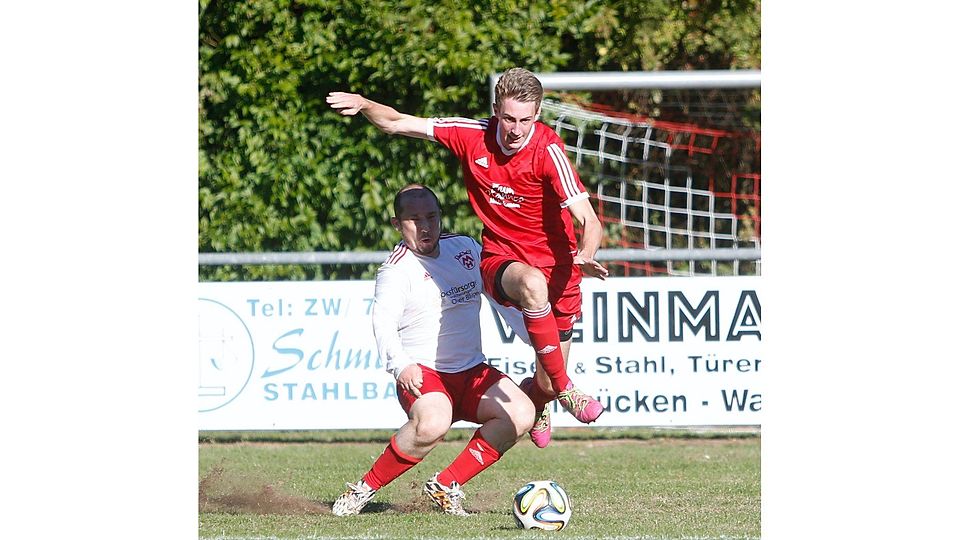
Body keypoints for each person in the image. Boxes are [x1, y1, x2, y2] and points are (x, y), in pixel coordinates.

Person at [327, 67, 609, 449]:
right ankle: (566, 389)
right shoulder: (471, 134)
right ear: (496, 110)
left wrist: (583, 258)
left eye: (526, 119)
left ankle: (542, 395)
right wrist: (363, 104)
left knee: (542, 377)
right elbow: (395, 123)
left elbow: (589, 220)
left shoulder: (549, 151)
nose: (516, 129)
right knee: (530, 284)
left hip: (559, 271)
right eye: (508, 118)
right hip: (501, 260)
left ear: (538, 114)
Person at [332, 184, 535, 517]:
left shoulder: (465, 248)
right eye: (414, 219)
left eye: (431, 216)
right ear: (397, 224)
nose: (425, 226)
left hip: (471, 370)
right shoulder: (396, 270)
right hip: (423, 372)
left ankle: (446, 485)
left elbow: (500, 298)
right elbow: (382, 324)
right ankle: (362, 489)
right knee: (433, 422)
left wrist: (535, 335)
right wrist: (400, 366)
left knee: (521, 414)